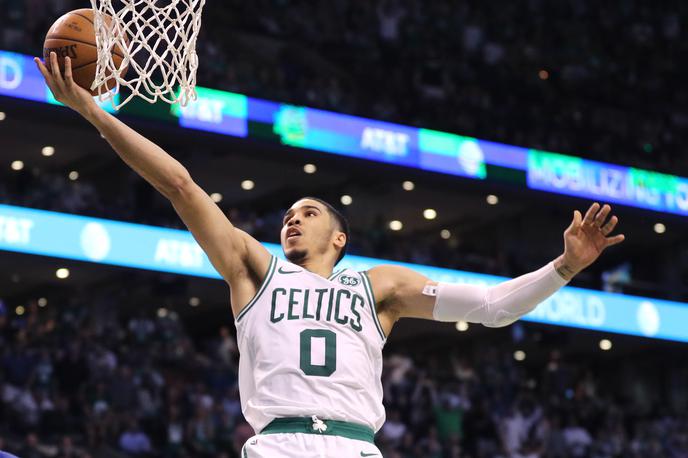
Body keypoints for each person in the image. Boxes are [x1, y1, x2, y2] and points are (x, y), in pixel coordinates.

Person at [35, 53, 625, 458]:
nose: (291, 218)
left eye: (308, 212)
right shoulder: (253, 269)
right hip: (279, 442)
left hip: (353, 445)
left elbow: (494, 307)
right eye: (287, 214)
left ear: (339, 238)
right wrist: (93, 112)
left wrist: (566, 266)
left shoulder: (379, 288)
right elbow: (182, 187)